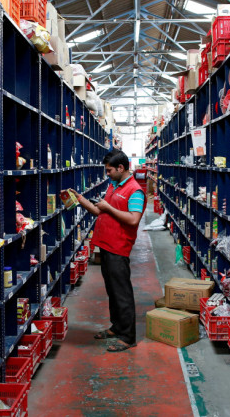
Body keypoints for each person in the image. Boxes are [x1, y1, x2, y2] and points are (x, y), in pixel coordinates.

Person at [70, 149, 146, 352]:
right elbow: (98, 210)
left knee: (122, 293)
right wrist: (79, 198)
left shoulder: (135, 190)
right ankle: (117, 327)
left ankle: (128, 337)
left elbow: (133, 219)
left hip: (119, 247)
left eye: (109, 170)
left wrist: (108, 207)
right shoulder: (114, 185)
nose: (107, 174)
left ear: (121, 168)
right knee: (112, 291)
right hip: (106, 245)